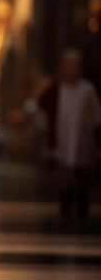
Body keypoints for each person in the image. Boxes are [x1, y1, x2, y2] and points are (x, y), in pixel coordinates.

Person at [38, 48, 101, 218]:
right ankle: (65, 209)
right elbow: (42, 104)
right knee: (64, 179)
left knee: (83, 180)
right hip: (61, 142)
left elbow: (96, 117)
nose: (71, 70)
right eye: (67, 65)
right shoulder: (56, 89)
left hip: (84, 141)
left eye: (75, 66)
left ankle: (82, 209)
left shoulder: (87, 90)